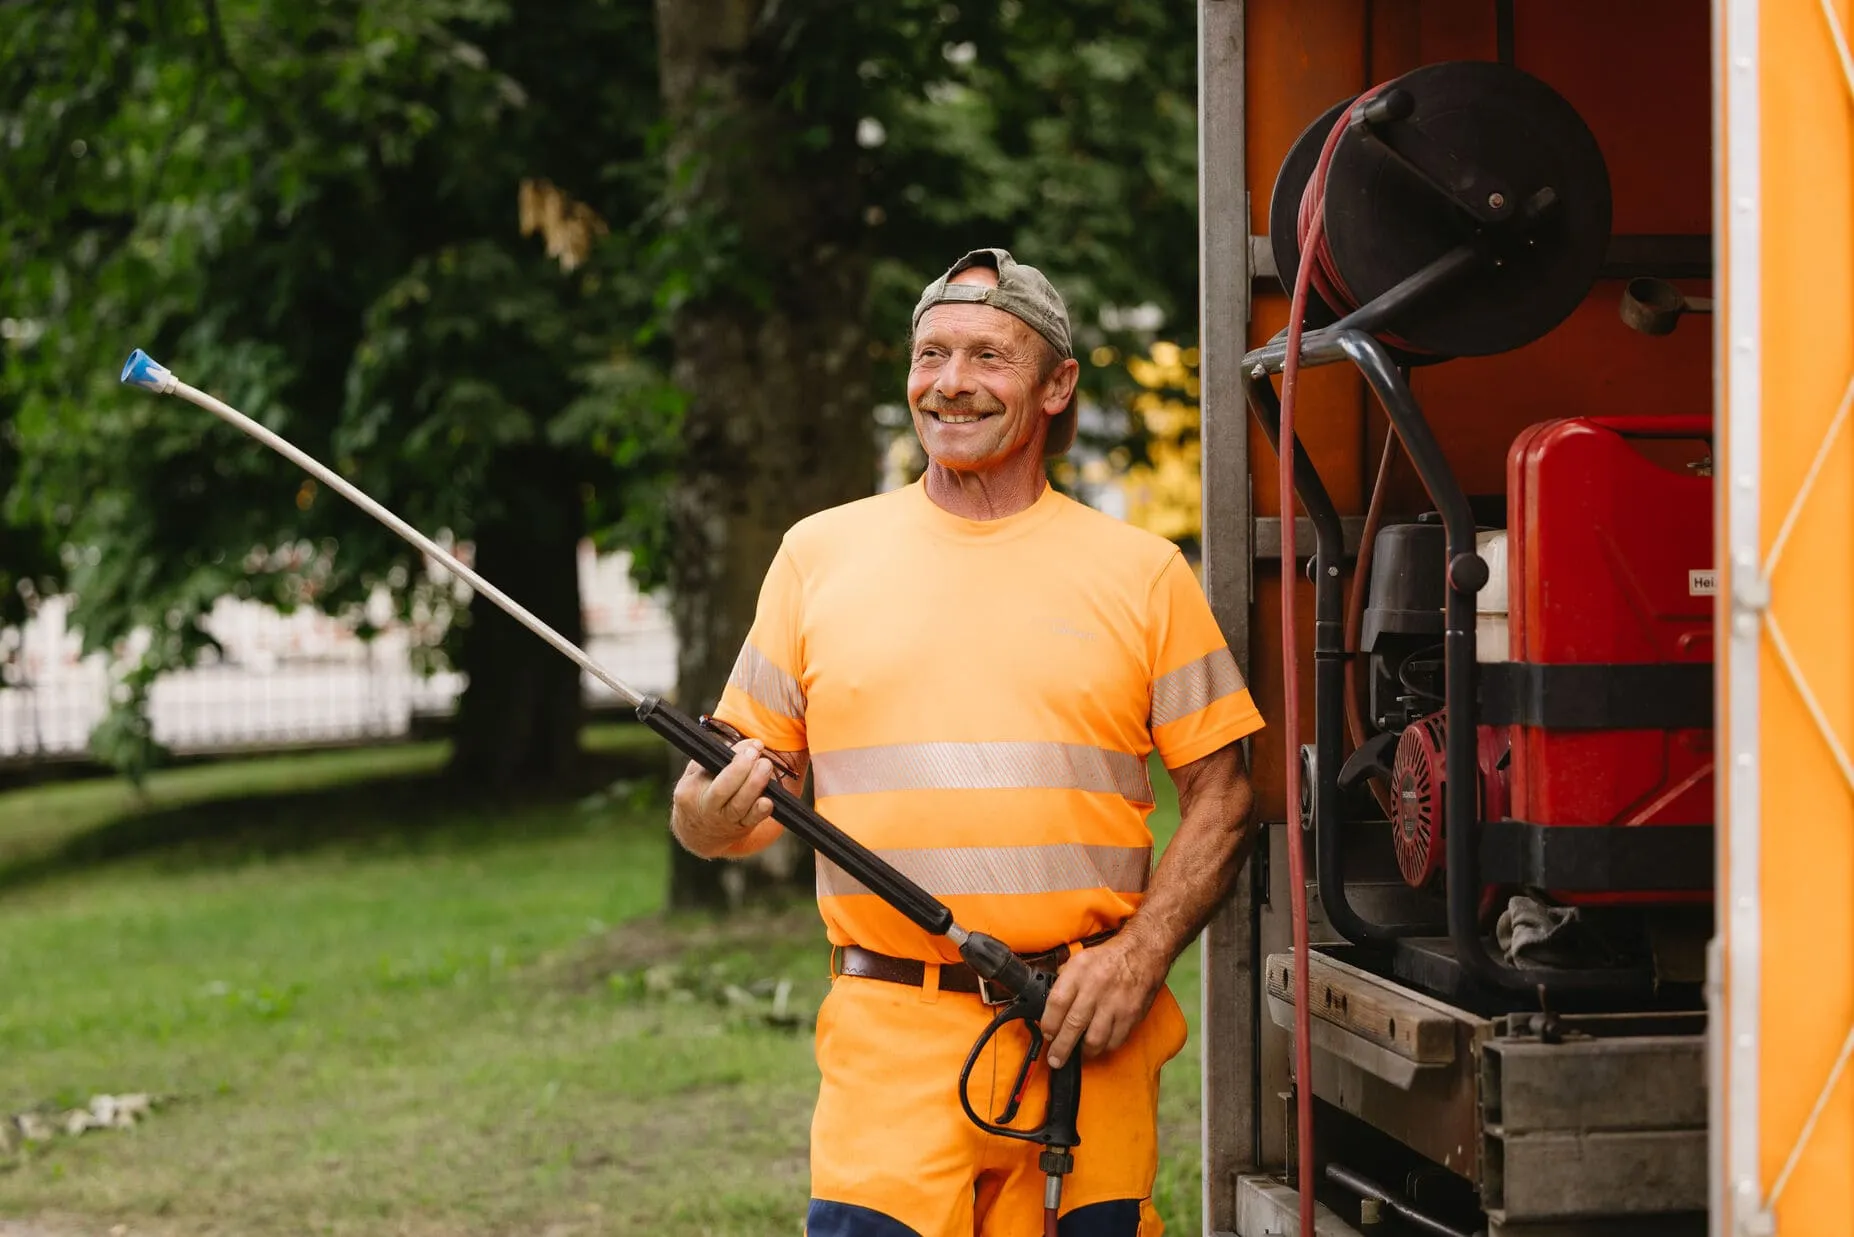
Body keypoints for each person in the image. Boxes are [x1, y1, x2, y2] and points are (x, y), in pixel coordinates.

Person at [668, 248, 1265, 1237]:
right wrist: (701, 811)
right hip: (890, 1036)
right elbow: (729, 800)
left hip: (1082, 1034)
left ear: (1057, 384)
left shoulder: (1143, 574)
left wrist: (1138, 957)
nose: (949, 383)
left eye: (988, 356)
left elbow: (1225, 795)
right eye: (930, 354)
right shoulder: (817, 557)